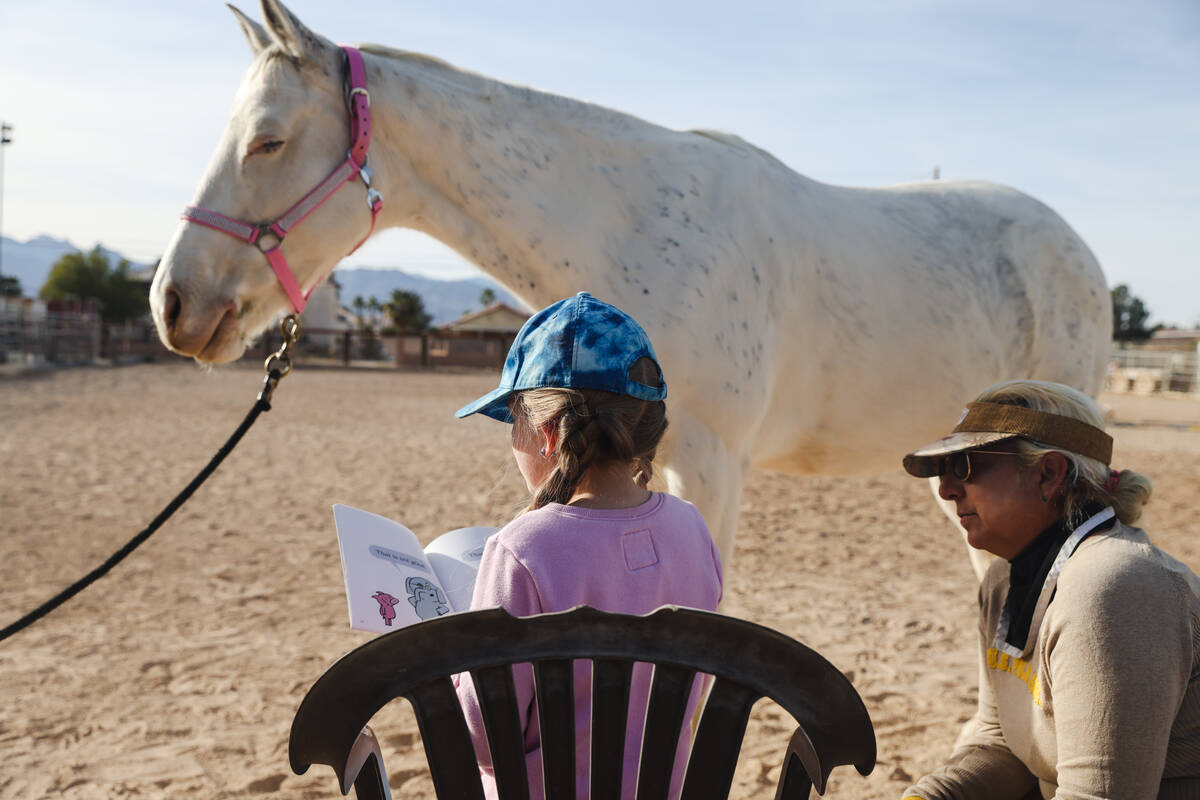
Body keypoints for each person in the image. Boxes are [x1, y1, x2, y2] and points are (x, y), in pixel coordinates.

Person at [452, 291, 723, 799]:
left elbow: (486, 742)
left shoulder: (521, 551)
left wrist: (448, 658)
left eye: (513, 421)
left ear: (548, 434)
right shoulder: (693, 530)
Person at [900, 379, 1200, 800]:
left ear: (1049, 474)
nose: (947, 490)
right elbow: (1000, 743)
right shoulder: (1004, 583)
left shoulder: (1115, 586)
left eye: (965, 466)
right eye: (944, 470)